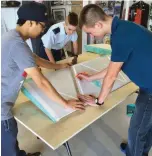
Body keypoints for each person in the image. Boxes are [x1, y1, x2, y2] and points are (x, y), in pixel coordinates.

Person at [1, 2, 85, 156]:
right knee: (8, 138)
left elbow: (35, 58)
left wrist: (59, 66)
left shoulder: (13, 37)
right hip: (1, 106)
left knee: (12, 141)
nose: (43, 29)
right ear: (30, 22)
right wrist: (66, 103)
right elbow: (41, 81)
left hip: (5, 97)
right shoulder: (17, 44)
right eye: (42, 25)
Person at [77, 4, 152, 156]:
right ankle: (137, 151)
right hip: (148, 85)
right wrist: (91, 77)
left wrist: (99, 101)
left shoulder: (121, 36)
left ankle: (135, 152)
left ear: (98, 24)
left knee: (137, 130)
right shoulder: (123, 28)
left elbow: (111, 76)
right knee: (146, 126)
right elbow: (114, 67)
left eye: (90, 32)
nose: (93, 36)